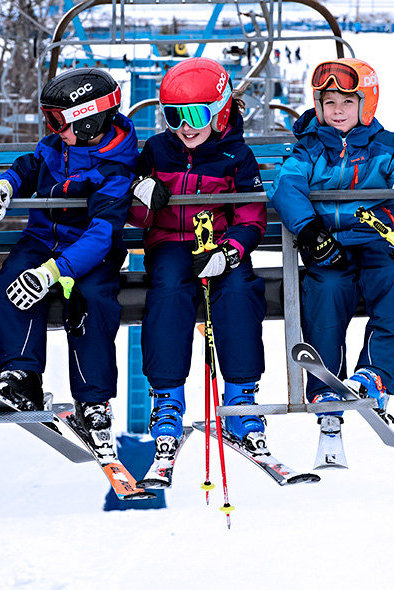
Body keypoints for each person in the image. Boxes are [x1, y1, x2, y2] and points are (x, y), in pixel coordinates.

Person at [267, 58, 394, 436]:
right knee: (327, 289)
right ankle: (325, 386)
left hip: (379, 239)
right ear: (318, 106)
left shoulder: (387, 147)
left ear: (366, 104)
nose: (337, 111)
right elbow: (288, 185)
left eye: (348, 102)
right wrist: (311, 231)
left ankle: (375, 376)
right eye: (329, 103)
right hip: (329, 244)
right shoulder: (309, 149)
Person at [0, 68, 139, 459]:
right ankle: (21, 376)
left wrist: (54, 272)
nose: (50, 128)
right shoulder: (55, 146)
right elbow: (28, 166)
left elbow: (101, 234)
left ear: (88, 122)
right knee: (6, 286)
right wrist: (7, 185)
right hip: (39, 242)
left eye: (57, 120)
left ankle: (93, 401)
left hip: (90, 254)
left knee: (92, 301)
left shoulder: (116, 168)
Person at [127, 57, 268, 478]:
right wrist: (142, 195)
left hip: (220, 245)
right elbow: (135, 212)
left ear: (221, 109)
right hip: (170, 244)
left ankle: (241, 398)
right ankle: (167, 399)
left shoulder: (236, 156)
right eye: (174, 116)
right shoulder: (156, 151)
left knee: (239, 291)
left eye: (196, 115)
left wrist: (231, 251)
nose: (185, 127)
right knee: (168, 292)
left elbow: (250, 214)